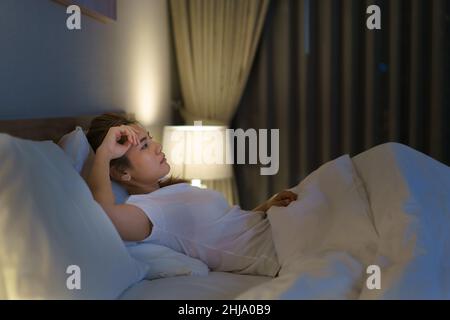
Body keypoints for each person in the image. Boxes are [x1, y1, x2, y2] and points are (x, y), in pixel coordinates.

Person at [86, 113, 298, 277]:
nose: (158, 146)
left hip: (274, 227)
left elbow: (224, 230)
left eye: (150, 139)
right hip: (280, 248)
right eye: (144, 146)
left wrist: (264, 208)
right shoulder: (149, 209)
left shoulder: (169, 192)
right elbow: (106, 219)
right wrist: (104, 155)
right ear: (122, 172)